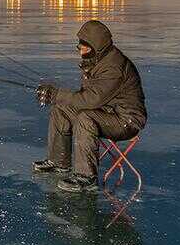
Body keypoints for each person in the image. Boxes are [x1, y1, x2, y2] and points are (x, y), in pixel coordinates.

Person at [33, 20, 147, 193]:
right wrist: (57, 98)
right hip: (106, 112)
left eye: (85, 49)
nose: (81, 52)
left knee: (85, 118)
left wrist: (56, 94)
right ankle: (58, 162)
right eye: (80, 48)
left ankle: (86, 177)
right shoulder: (97, 60)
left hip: (126, 121)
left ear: (97, 47)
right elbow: (87, 98)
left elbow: (91, 100)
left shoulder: (114, 68)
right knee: (60, 108)